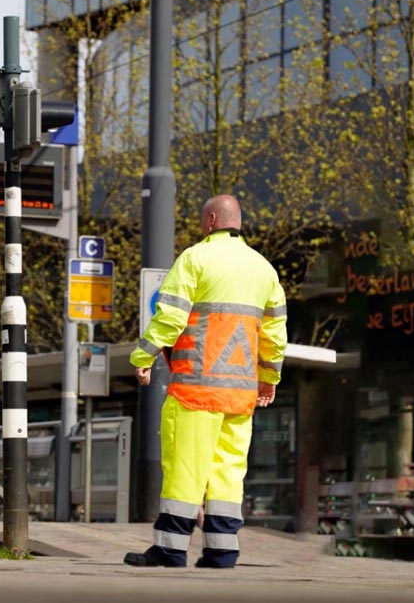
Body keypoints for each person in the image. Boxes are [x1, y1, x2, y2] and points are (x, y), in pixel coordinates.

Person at [124, 194, 287, 569]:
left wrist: (143, 356)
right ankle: (222, 551)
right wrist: (269, 378)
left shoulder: (195, 258)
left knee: (185, 468)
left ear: (211, 219)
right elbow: (275, 335)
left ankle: (169, 549)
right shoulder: (265, 270)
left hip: (196, 391)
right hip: (240, 395)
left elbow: (170, 318)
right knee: (228, 472)